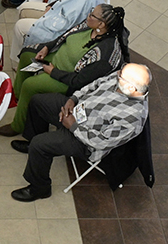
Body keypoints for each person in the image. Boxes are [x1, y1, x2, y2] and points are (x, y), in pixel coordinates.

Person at [9, 64, 151, 202]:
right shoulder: (123, 79)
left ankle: (40, 188)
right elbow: (95, 84)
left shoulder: (133, 118)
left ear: (131, 88)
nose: (116, 75)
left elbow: (100, 141)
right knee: (37, 101)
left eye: (120, 76)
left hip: (85, 141)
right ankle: (32, 144)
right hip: (77, 109)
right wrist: (73, 99)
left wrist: (73, 126)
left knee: (40, 144)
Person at [0, 3, 129, 137]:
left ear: (101, 24)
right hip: (56, 58)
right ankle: (17, 97)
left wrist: (53, 72)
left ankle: (18, 125)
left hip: (67, 79)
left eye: (92, 15)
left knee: (30, 85)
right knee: (26, 56)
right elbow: (65, 36)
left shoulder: (104, 54)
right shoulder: (88, 26)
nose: (88, 16)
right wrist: (47, 48)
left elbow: (79, 81)